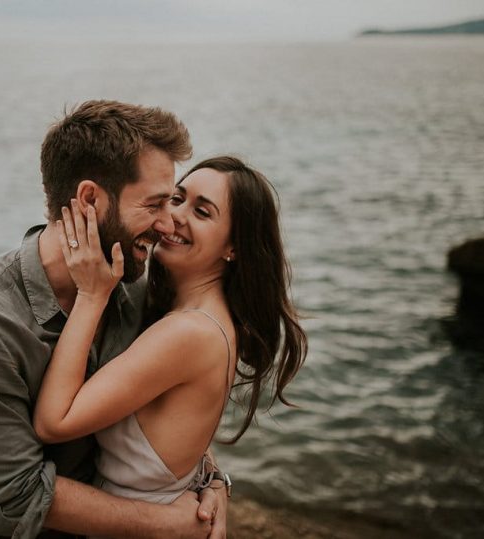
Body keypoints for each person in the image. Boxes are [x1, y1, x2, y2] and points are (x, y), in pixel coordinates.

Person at [0, 100, 227, 539]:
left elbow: (162, 413)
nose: (169, 225)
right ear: (90, 199)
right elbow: (22, 492)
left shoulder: (136, 284)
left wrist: (212, 480)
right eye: (155, 204)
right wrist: (168, 524)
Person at [33, 156, 307, 534]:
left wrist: (91, 296)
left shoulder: (189, 333)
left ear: (235, 247)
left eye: (202, 211)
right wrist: (213, 480)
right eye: (177, 199)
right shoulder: (200, 317)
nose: (175, 216)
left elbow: (53, 422)